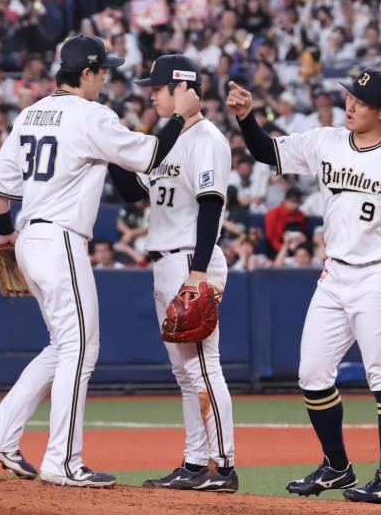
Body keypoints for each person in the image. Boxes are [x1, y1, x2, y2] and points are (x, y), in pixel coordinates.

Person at [227, 68, 381, 505]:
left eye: (361, 101)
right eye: (349, 96)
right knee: (312, 374)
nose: (350, 105)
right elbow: (265, 150)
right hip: (335, 275)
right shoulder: (326, 141)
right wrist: (246, 118)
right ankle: (337, 466)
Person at [0, 35, 197, 488]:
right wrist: (179, 116)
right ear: (88, 72)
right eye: (103, 70)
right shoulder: (91, 114)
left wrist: (6, 234)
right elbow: (151, 155)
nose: (106, 78)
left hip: (30, 236)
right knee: (81, 348)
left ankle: (1, 431)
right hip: (60, 239)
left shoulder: (31, 113)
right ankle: (64, 460)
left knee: (62, 346)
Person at [108, 55, 238, 492]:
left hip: (189, 260)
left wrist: (198, 272)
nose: (151, 95)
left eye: (157, 88)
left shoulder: (207, 139)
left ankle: (222, 467)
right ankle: (195, 463)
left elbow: (211, 205)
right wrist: (110, 151)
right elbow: (131, 192)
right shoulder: (167, 140)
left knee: (203, 367)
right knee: (185, 375)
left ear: (181, 88)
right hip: (165, 260)